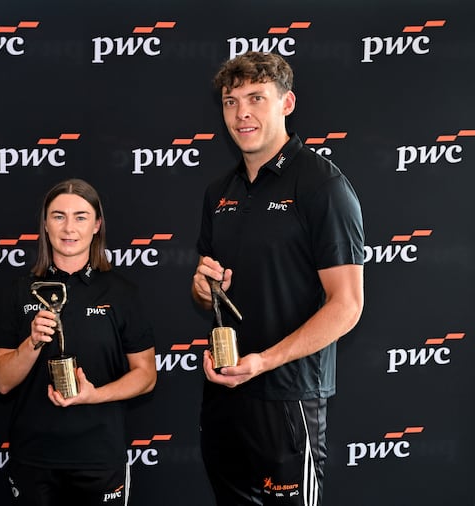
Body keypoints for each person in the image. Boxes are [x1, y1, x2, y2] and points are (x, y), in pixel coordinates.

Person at [191, 51, 364, 506]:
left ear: (286, 104)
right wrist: (203, 288)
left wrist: (265, 361)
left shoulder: (322, 185)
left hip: (287, 397)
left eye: (256, 98)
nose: (242, 112)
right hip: (225, 394)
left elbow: (346, 305)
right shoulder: (218, 193)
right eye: (231, 101)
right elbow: (211, 297)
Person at [0, 178, 157, 506]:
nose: (69, 228)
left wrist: (95, 396)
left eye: (80, 216)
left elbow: (147, 375)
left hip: (99, 457)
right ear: (45, 224)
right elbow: (1, 382)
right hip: (34, 457)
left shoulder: (122, 292)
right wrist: (32, 343)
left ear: (97, 225)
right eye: (58, 216)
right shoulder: (21, 291)